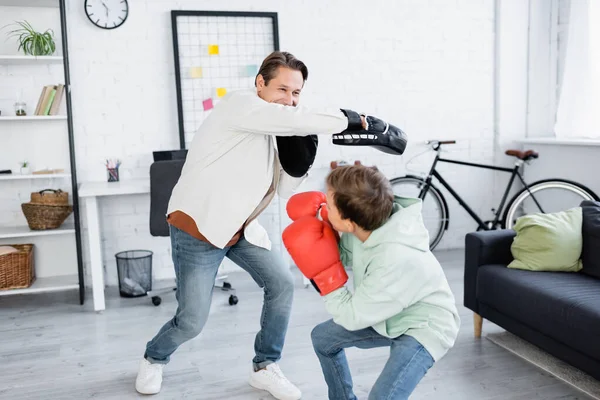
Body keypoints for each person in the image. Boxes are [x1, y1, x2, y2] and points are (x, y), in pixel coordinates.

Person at [135, 50, 407, 400]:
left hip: (242, 229)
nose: (289, 101)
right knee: (192, 320)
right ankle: (154, 357)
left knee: (282, 284)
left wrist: (301, 157)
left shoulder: (278, 127)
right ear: (259, 83)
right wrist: (362, 121)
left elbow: (284, 189)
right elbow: (296, 120)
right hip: (198, 229)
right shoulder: (239, 105)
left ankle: (265, 366)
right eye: (282, 90)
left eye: (296, 94)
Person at [282, 164, 461, 400]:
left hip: (423, 326)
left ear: (349, 222)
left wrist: (326, 278)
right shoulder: (368, 224)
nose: (324, 203)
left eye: (330, 204)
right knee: (323, 339)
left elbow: (352, 316)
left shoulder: (394, 259)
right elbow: (345, 253)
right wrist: (324, 228)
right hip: (389, 311)